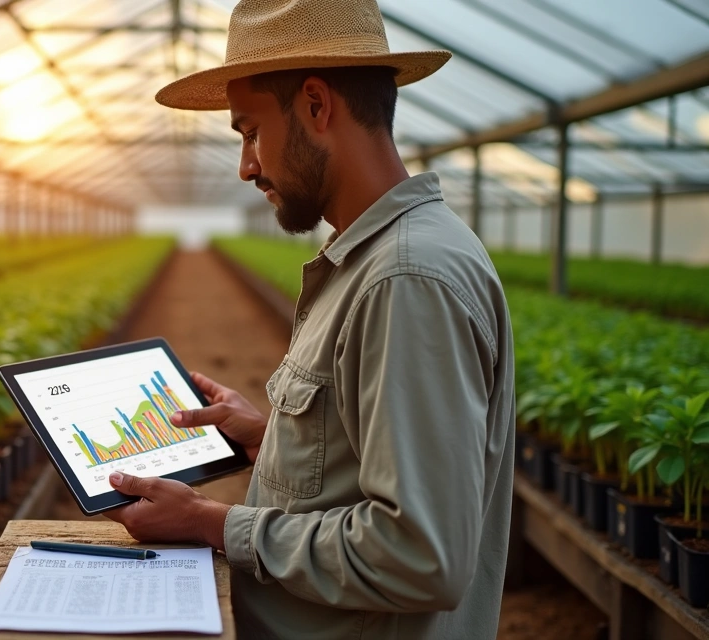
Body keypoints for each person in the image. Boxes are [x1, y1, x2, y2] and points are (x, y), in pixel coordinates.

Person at [101, 1, 516, 638]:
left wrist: (210, 523)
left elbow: (419, 558)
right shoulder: (377, 258)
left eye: (250, 131)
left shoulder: (405, 279)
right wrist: (273, 441)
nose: (246, 166)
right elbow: (371, 467)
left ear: (317, 106)